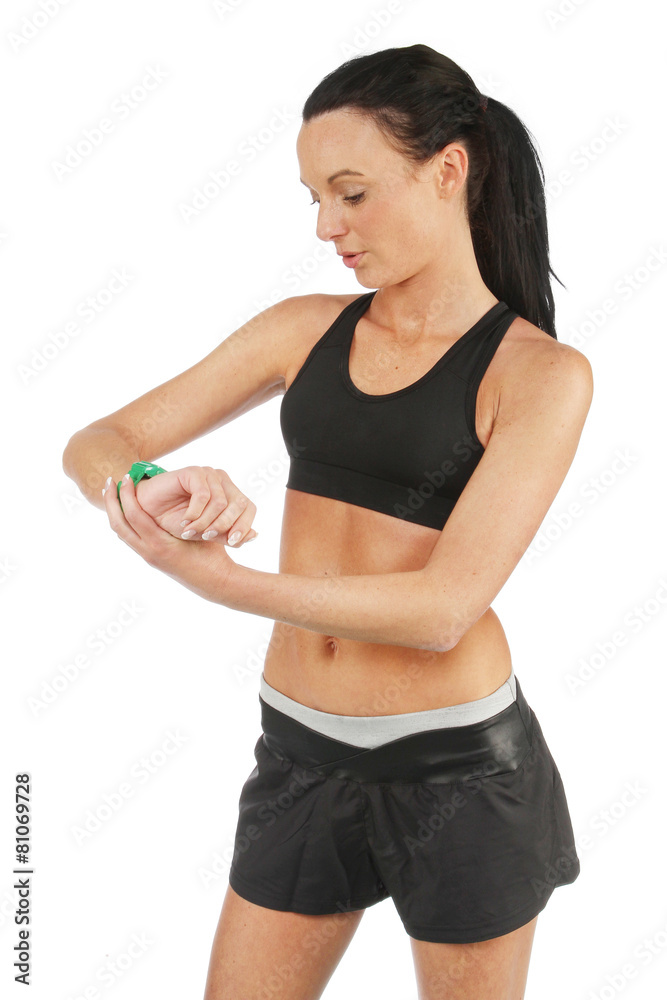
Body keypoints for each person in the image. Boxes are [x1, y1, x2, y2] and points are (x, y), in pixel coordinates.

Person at [63, 43, 593, 1000]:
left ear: (447, 170)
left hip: (460, 769)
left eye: (350, 194)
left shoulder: (540, 375)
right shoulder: (302, 329)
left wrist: (228, 583)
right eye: (313, 198)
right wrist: (152, 484)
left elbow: (441, 609)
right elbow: (98, 442)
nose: (325, 226)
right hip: (299, 751)